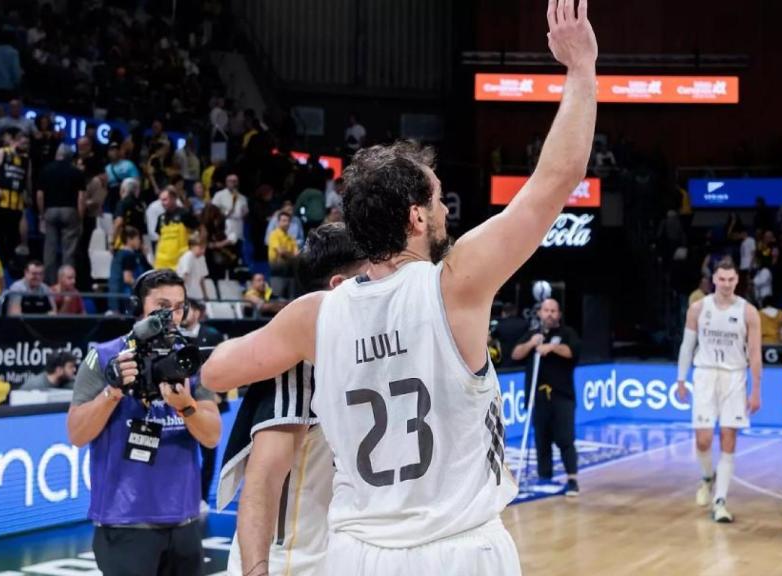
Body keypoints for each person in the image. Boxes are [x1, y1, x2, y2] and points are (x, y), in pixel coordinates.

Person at [202, 2, 597, 573]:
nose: (444, 213)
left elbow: (216, 372)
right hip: (456, 549)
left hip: (357, 554)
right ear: (416, 218)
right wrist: (581, 66)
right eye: (437, 201)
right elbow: (555, 179)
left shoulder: (314, 315)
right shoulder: (454, 285)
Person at [217, 223, 367, 575]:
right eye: (370, 272)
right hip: (289, 563)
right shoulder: (297, 364)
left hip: (337, 554)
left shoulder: (359, 352)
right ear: (340, 286)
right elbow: (263, 481)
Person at [67, 269, 221, 575]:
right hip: (125, 523)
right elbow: (77, 433)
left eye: (179, 307)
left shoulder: (188, 359)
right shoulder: (104, 357)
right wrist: (113, 392)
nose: (172, 316)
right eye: (162, 306)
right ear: (137, 308)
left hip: (184, 522)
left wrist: (186, 407)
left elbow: (212, 436)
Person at [676, 259, 763, 523]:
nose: (726, 284)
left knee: (728, 437)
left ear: (737, 281)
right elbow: (686, 346)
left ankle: (721, 501)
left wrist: (756, 389)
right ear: (714, 279)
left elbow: (756, 353)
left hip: (735, 376)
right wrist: (681, 379)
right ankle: (706, 477)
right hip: (704, 374)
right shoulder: (698, 308)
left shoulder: (748, 311)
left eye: (731, 279)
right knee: (702, 440)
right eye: (722, 279)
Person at [510, 298, 583, 495]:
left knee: (565, 438)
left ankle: (572, 479)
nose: (549, 314)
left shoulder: (567, 333)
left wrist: (552, 347)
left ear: (558, 314)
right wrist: (531, 344)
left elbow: (572, 352)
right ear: (540, 313)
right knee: (542, 439)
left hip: (562, 396)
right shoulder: (534, 334)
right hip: (538, 397)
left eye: (553, 311)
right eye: (546, 310)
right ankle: (545, 478)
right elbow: (516, 354)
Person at [180, 299, 227, 513]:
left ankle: (202, 497)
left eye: (187, 309)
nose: (183, 313)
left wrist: (220, 394)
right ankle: (184, 495)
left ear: (198, 312)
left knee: (209, 450)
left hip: (208, 399)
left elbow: (225, 365)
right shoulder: (174, 337)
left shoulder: (213, 336)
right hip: (181, 400)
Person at [37, 145, 86, 284]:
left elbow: (40, 195)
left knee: (50, 250)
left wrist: (41, 215)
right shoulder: (76, 172)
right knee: (68, 252)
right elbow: (81, 198)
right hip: (70, 211)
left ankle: (49, 284)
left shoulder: (46, 170)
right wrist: (80, 219)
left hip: (50, 211)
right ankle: (66, 284)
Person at [0, 129, 32, 260]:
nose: (25, 147)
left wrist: (29, 195)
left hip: (17, 201)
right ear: (14, 141)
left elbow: (28, 180)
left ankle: (10, 259)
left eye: (27, 144)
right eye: (23, 143)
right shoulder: (3, 152)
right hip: (2, 199)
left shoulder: (26, 160)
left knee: (13, 234)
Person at [154, 188, 199, 270]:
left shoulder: (184, 213)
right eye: (161, 200)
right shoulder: (161, 218)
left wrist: (196, 247)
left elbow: (197, 230)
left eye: (165, 200)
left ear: (173, 198)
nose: (163, 203)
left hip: (180, 259)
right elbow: (159, 238)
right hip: (162, 261)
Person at [109, 226, 151, 312]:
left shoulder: (120, 254)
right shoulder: (128, 255)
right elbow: (127, 278)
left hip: (120, 296)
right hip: (127, 296)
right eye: (137, 238)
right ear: (129, 239)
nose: (139, 241)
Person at [267, 211, 299, 299]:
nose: (286, 223)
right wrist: (291, 256)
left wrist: (288, 255)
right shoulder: (274, 235)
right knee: (278, 297)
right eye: (284, 221)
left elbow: (297, 255)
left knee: (291, 298)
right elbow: (280, 251)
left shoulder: (291, 238)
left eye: (288, 221)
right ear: (278, 222)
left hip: (290, 272)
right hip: (278, 271)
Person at [177, 234, 210, 301]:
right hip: (187, 296)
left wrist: (205, 295)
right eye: (201, 248)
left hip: (197, 296)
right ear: (192, 246)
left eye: (204, 248)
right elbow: (184, 277)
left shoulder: (202, 258)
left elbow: (201, 279)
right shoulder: (188, 256)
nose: (203, 251)